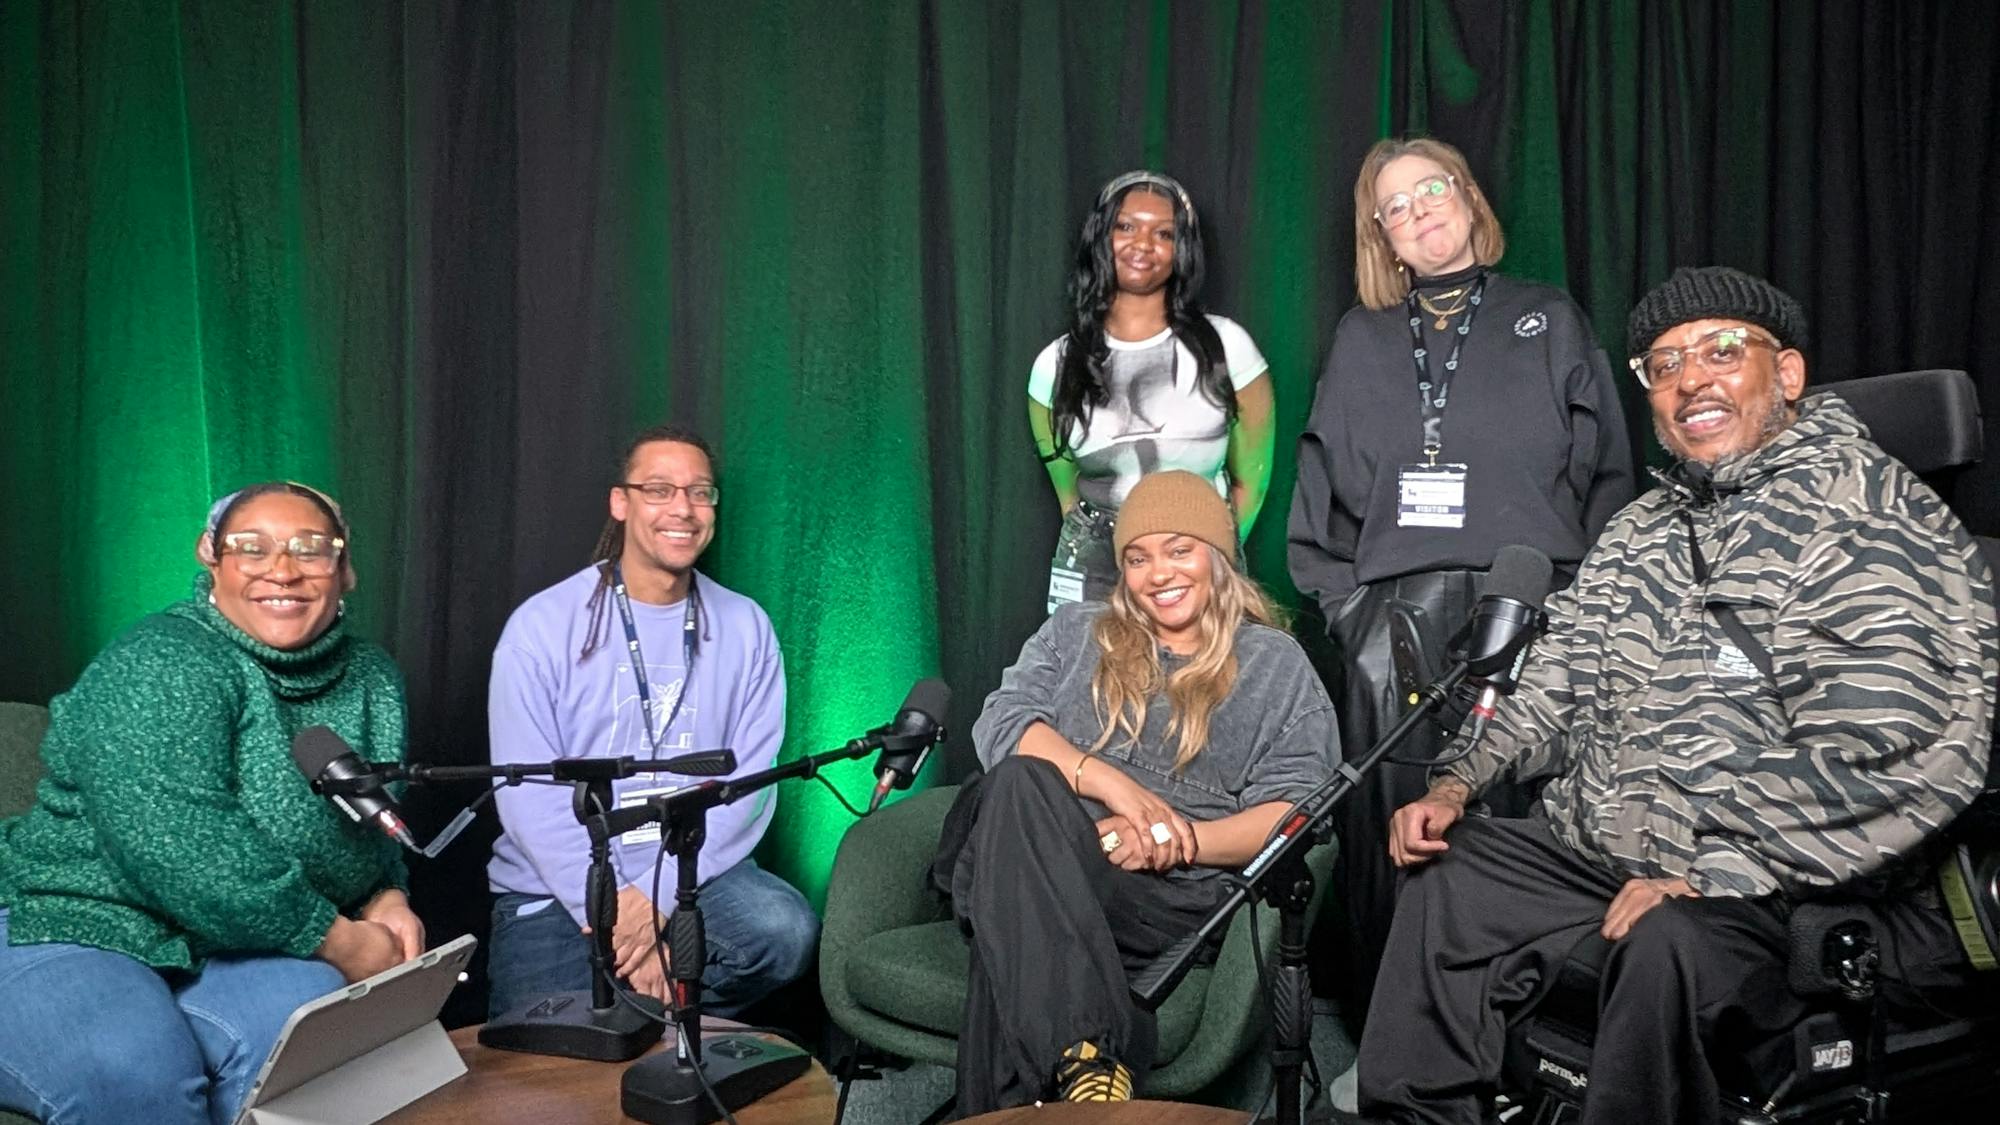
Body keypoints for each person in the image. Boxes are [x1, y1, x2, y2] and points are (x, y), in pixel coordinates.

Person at [1352, 267, 1998, 1125]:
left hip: (1782, 885)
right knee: (1453, 872)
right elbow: (1557, 679)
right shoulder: (1639, 530)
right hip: (1613, 854)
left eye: (1721, 351)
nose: (1691, 379)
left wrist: (1705, 875)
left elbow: (1886, 749)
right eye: (1664, 364)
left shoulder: (1869, 517)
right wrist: (1456, 780)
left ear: (1787, 373)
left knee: (1667, 944)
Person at [1286, 136, 1636, 1034]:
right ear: (1382, 236)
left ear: (1469, 196)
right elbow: (1321, 490)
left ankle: (1513, 1044)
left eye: (1431, 189)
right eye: (1394, 207)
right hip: (1391, 622)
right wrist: (1351, 613)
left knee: (1510, 823)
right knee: (1393, 840)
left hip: (1529, 607)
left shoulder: (1548, 316)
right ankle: (1387, 1041)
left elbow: (1608, 476)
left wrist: (1577, 611)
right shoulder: (1362, 338)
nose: (1418, 212)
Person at [0, 482, 421, 1125]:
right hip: (75, 920)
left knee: (314, 1028)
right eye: (252, 547)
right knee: (132, 1069)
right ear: (211, 556)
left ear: (345, 568)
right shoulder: (160, 661)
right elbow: (183, 846)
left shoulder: (371, 677)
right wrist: (339, 940)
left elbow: (366, 819)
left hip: (227, 941)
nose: (282, 570)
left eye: (310, 548)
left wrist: (385, 896)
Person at [940, 469, 1338, 1114]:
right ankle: (1092, 1061)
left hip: (1163, 899)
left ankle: (1051, 1086)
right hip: (1031, 852)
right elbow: (1003, 725)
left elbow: (1296, 811)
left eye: (1180, 550)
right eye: (1138, 558)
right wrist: (1112, 786)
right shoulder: (1075, 632)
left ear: (1218, 557)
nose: (1159, 574)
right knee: (1016, 783)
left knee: (1010, 926)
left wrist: (1175, 841)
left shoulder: (1275, 665)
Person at [485, 424, 817, 1019]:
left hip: (694, 876)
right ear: (621, 503)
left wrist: (660, 904)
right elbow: (527, 798)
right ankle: (655, 1007)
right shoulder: (540, 627)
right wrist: (614, 912)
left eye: (699, 492)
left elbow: (748, 788)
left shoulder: (746, 627)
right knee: (539, 1064)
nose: (682, 509)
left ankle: (655, 1008)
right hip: (560, 890)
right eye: (659, 490)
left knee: (782, 929)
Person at [1031, 170, 1276, 613]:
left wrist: (1208, 552)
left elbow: (1252, 483)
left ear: (1181, 250)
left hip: (1199, 560)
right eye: (1126, 226)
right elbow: (1069, 495)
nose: (1142, 244)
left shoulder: (1228, 347)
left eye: (1163, 233)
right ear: (1101, 237)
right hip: (1094, 566)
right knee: (1082, 660)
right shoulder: (1056, 364)